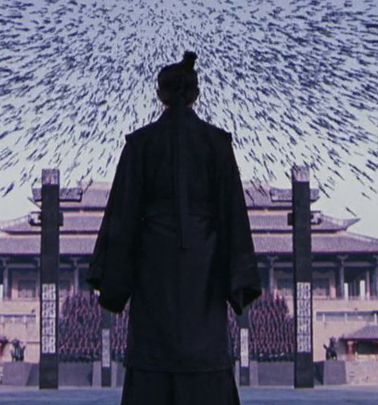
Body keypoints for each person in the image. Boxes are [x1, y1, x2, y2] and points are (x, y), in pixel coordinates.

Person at [86, 50, 262, 405]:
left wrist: (114, 284)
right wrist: (240, 279)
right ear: (195, 94)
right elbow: (232, 214)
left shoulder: (140, 144)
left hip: (154, 262)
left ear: (160, 94)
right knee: (205, 348)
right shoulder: (217, 143)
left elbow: (123, 217)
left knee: (153, 352)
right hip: (204, 261)